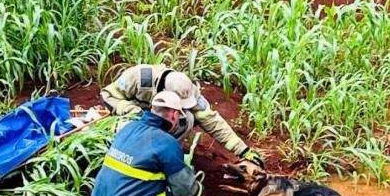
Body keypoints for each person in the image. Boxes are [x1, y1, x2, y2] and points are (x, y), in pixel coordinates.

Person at [99, 64, 265, 167]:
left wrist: (243, 150)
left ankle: (167, 155)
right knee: (125, 127)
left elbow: (210, 119)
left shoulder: (188, 89)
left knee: (188, 119)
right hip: (134, 119)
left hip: (158, 121)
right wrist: (129, 109)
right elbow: (108, 94)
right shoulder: (139, 77)